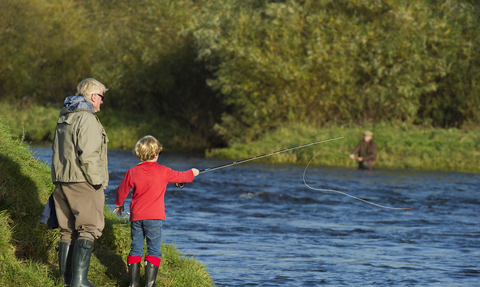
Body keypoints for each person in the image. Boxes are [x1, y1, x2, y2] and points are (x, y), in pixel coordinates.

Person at [113, 135, 199, 287]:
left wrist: (119, 204)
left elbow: (121, 189)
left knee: (136, 248)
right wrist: (193, 172)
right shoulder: (164, 171)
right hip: (154, 218)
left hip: (136, 217)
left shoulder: (132, 172)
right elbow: (182, 176)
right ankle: (150, 284)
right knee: (153, 250)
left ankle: (133, 284)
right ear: (155, 154)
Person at [51, 78, 109, 287]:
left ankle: (67, 281)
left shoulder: (65, 115)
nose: (102, 102)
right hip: (83, 181)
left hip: (61, 181)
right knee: (88, 228)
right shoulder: (88, 119)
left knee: (67, 230)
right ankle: (80, 282)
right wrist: (98, 183)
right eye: (101, 97)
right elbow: (89, 155)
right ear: (94, 96)